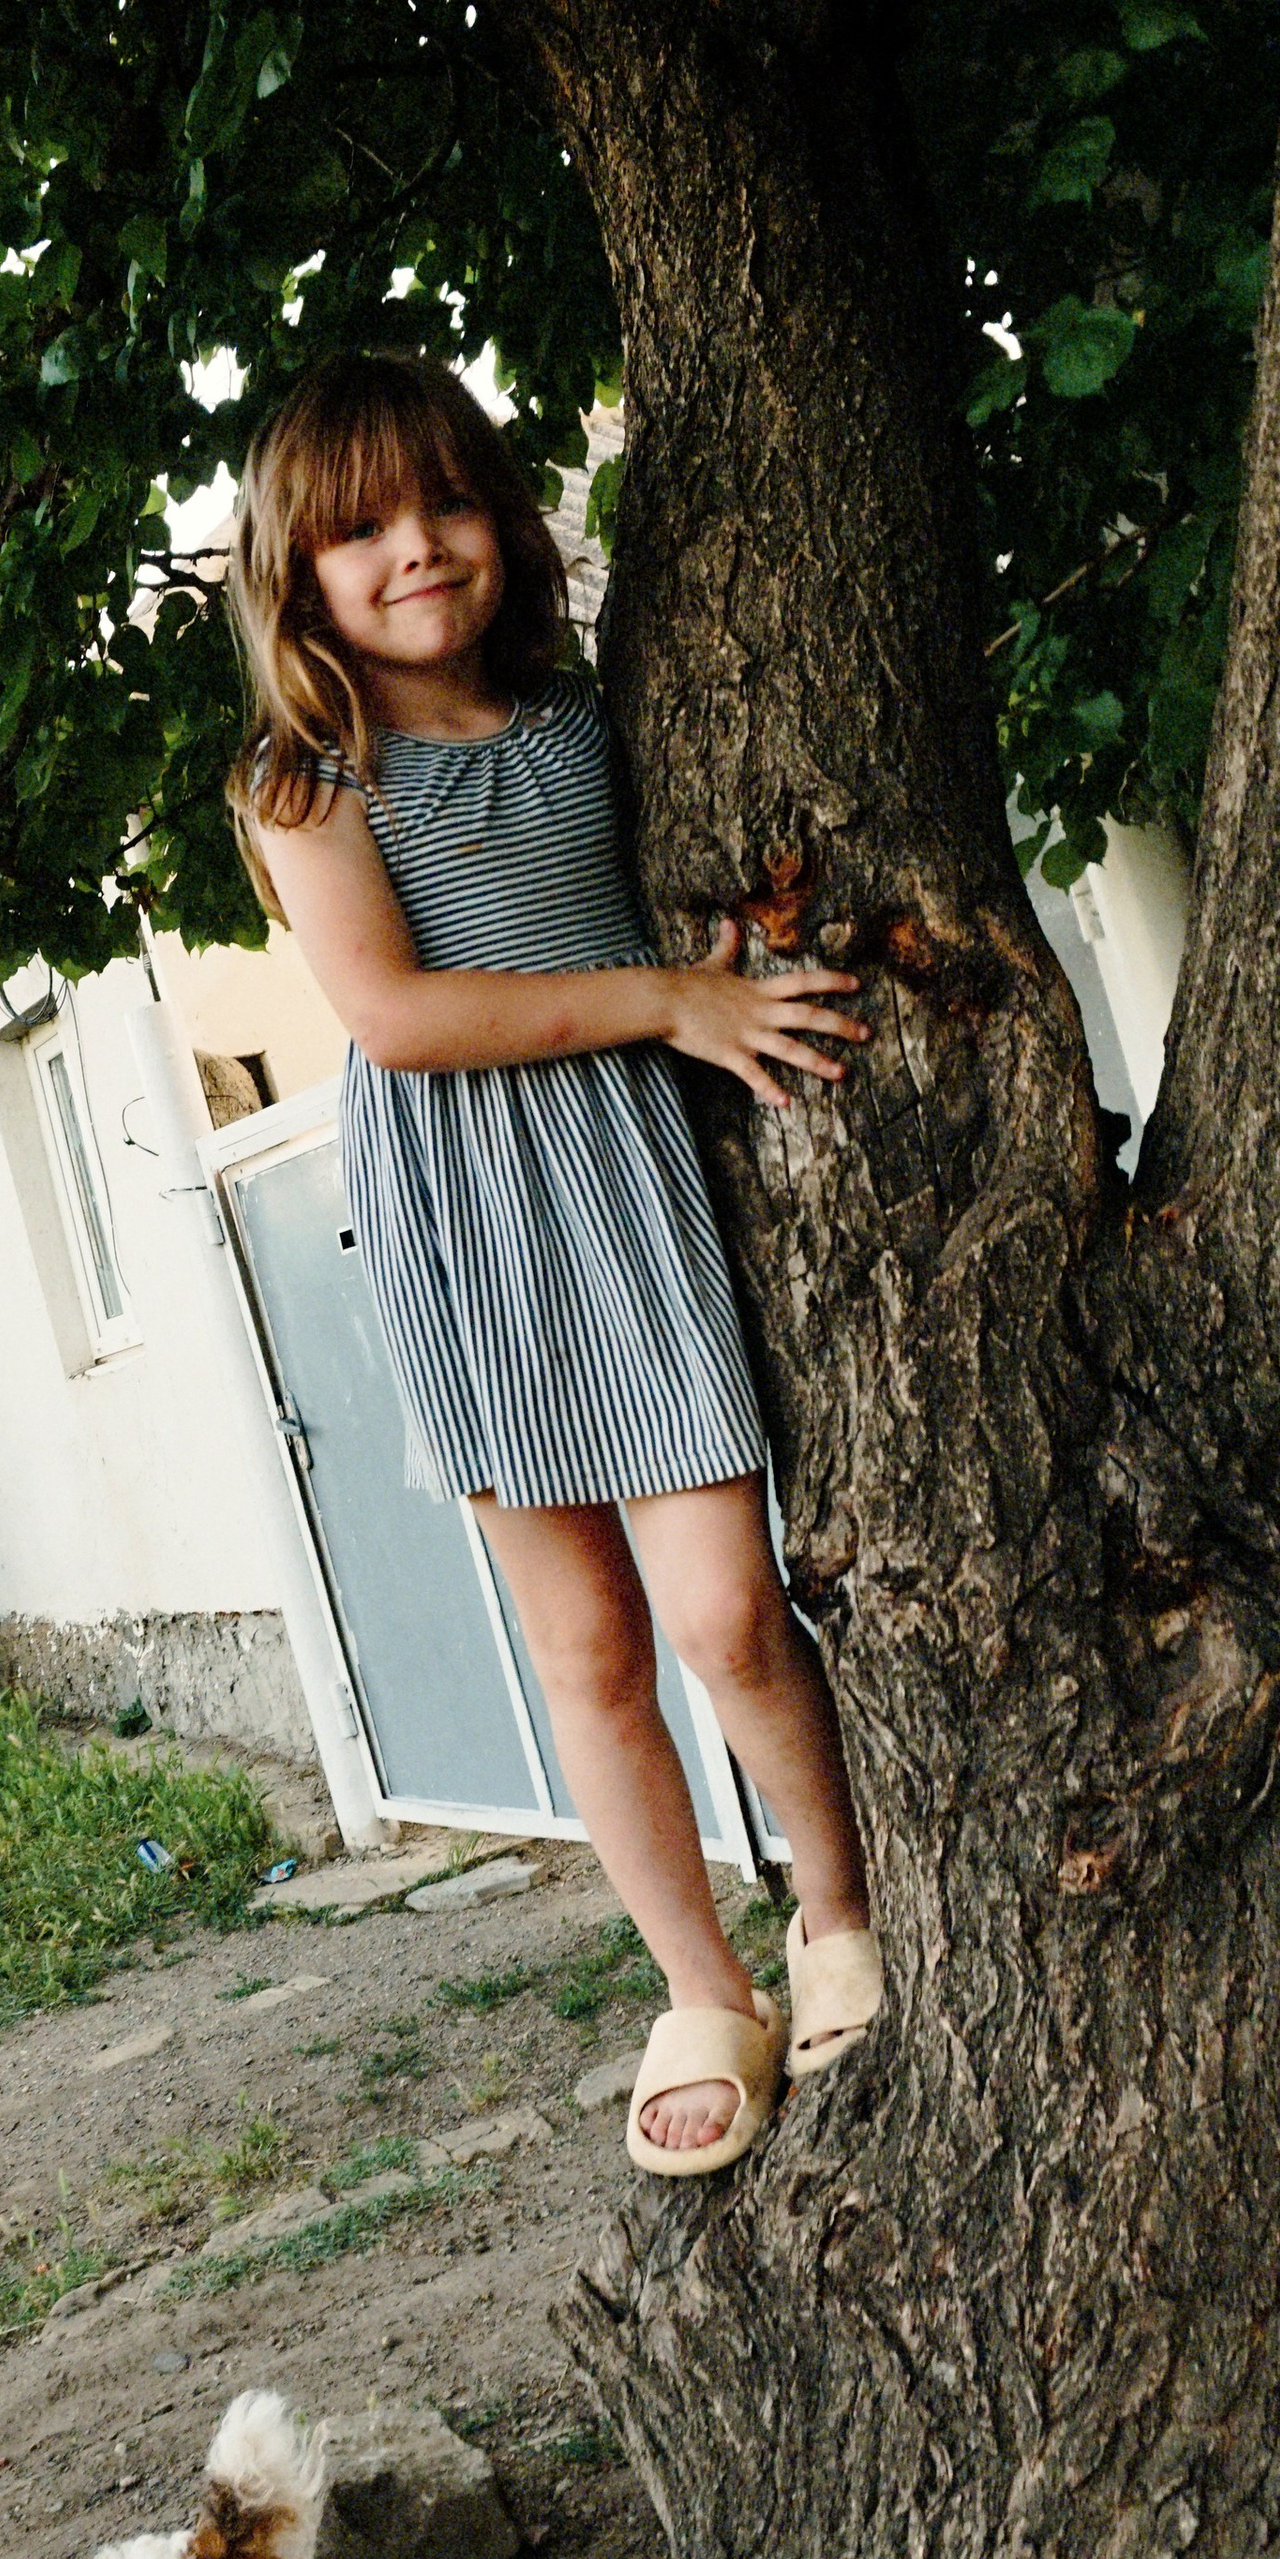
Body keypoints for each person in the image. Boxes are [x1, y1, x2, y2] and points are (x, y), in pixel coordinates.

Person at [230, 351, 886, 2178]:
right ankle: (699, 1986)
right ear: (298, 575)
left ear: (500, 518)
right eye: (359, 530)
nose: (416, 552)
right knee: (590, 1651)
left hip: (625, 1173)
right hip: (465, 1205)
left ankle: (833, 1913)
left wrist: (690, 998)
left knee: (722, 1613)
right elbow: (396, 1014)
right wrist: (670, 998)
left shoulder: (590, 713)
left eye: (444, 505)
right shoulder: (307, 781)